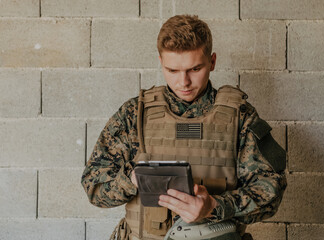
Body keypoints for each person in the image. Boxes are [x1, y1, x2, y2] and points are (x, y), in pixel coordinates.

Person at [81, 15, 287, 240]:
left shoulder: (240, 116)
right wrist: (131, 179)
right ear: (161, 62)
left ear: (212, 61)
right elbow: (94, 187)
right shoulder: (134, 115)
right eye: (172, 71)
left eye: (195, 69)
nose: (184, 82)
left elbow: (271, 190)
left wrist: (216, 206)